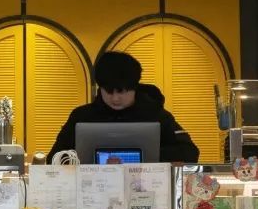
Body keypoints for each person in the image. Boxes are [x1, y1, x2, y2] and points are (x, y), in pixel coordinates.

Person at [48, 49, 200, 162]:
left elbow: (190, 152)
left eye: (122, 92)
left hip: (146, 187)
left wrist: (145, 155)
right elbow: (54, 158)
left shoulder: (157, 115)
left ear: (134, 88)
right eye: (109, 91)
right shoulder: (82, 116)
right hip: (92, 188)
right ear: (100, 88)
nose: (115, 98)